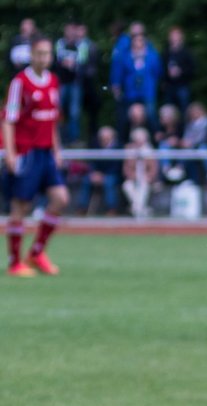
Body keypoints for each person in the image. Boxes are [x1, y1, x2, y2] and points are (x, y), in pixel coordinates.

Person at [4, 34, 68, 277]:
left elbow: (52, 120)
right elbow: (9, 121)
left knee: (60, 199)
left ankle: (36, 252)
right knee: (21, 205)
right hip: (26, 152)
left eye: (48, 54)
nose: (44, 58)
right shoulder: (20, 83)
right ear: (31, 55)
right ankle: (14, 262)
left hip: (45, 153)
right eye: (40, 53)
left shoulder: (53, 81)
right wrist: (10, 153)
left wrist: (57, 149)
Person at [110, 30, 161, 135]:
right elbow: (119, 73)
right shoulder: (125, 56)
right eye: (136, 40)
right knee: (126, 118)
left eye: (141, 40)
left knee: (150, 116)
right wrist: (117, 86)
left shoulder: (152, 55)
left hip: (147, 91)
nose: (138, 43)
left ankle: (154, 139)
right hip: (130, 92)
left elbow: (157, 72)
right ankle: (125, 141)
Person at [77, 125, 123, 214]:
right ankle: (82, 208)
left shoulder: (119, 147)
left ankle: (112, 209)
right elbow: (92, 163)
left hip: (113, 174)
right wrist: (94, 173)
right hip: (98, 174)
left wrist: (104, 175)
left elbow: (118, 166)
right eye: (102, 138)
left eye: (107, 138)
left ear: (112, 137)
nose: (104, 140)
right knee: (86, 180)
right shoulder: (96, 146)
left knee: (109, 182)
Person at [121, 125, 157, 217]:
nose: (139, 141)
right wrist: (131, 176)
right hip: (133, 178)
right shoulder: (129, 149)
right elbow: (126, 167)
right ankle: (142, 210)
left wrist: (149, 176)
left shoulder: (150, 150)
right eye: (137, 139)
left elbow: (154, 167)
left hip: (145, 178)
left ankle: (136, 209)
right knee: (127, 186)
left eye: (141, 139)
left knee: (144, 186)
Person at [161, 26, 196, 115]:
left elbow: (192, 69)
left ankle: (184, 128)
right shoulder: (166, 52)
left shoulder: (186, 52)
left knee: (184, 110)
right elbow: (162, 68)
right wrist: (167, 75)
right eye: (172, 35)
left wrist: (180, 71)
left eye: (176, 35)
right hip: (169, 86)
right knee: (169, 111)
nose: (174, 37)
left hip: (182, 85)